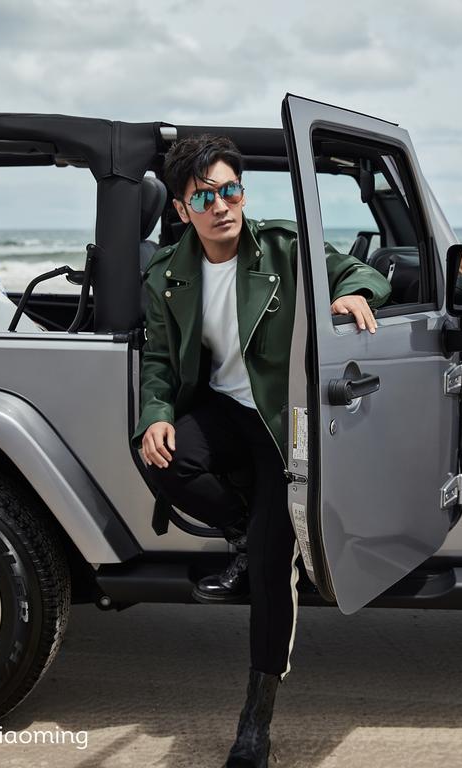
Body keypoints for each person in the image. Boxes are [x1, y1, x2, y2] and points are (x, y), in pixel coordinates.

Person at [130, 134, 391, 767]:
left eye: (230, 190)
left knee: (275, 571)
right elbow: (161, 361)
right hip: (224, 408)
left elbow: (361, 273)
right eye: (205, 196)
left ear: (242, 194)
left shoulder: (283, 248)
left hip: (283, 419)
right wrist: (156, 415)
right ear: (182, 209)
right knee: (160, 457)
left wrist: (355, 297)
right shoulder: (167, 274)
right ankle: (246, 531)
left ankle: (256, 716)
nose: (222, 205)